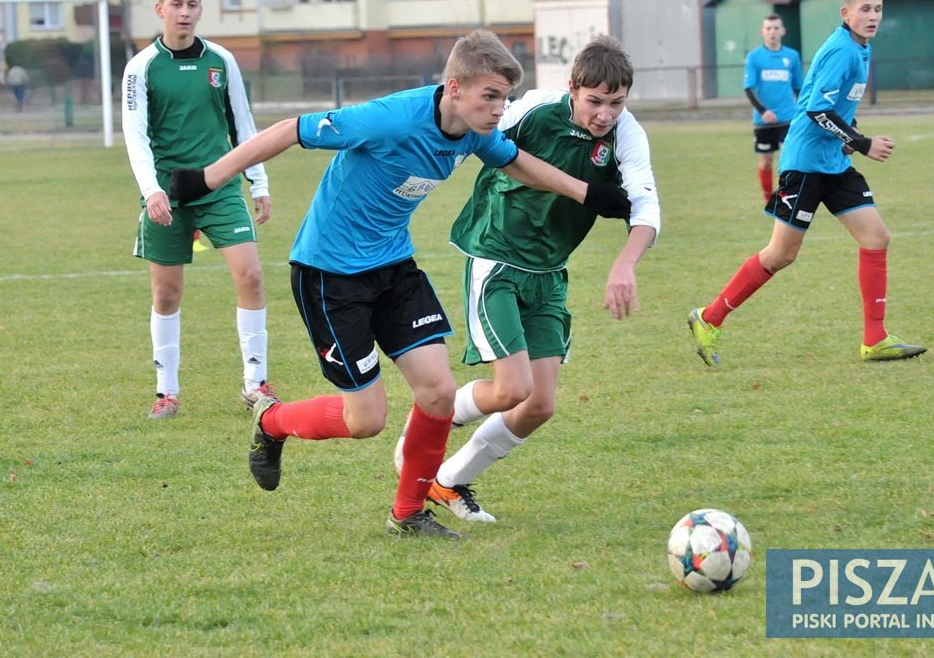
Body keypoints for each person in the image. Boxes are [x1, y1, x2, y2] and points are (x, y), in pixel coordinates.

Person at [169, 29, 632, 539]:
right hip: (329, 273)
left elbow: (517, 162)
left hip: (393, 267)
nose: (501, 109)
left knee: (438, 392)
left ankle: (408, 514)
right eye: (490, 97)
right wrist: (208, 177)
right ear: (454, 88)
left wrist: (588, 194)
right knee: (366, 419)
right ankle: (272, 421)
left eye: (503, 98)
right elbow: (290, 130)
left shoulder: (477, 131)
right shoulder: (389, 119)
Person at [392, 35, 661, 524]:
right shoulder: (533, 109)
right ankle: (425, 430)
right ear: (573, 89)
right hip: (496, 257)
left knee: (538, 405)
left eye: (616, 103)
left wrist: (625, 263)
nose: (605, 114)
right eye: (595, 102)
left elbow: (646, 207)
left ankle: (449, 481)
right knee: (511, 387)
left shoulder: (626, 136)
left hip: (549, 274)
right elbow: (476, 130)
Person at [687, 0, 926, 366]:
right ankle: (709, 319)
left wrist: (849, 141)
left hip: (833, 163)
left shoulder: (860, 49)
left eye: (878, 9)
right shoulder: (842, 51)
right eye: (864, 9)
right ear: (845, 13)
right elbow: (815, 110)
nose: (872, 16)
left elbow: (836, 106)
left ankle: (875, 338)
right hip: (804, 165)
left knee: (876, 237)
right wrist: (862, 142)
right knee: (780, 254)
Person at [121, 0, 278, 421]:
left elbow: (243, 125)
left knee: (249, 275)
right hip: (166, 194)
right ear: (160, 9)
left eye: (191, 4)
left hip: (219, 187)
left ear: (200, 9)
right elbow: (135, 135)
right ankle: (165, 393)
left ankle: (256, 385)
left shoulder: (221, 61)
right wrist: (151, 191)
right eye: (176, 4)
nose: (184, 12)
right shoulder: (141, 67)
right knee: (166, 294)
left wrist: (259, 181)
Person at [743, 14, 803, 202]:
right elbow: (749, 87)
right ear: (763, 32)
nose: (772, 32)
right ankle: (769, 199)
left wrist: (802, 113)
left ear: (782, 31)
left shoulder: (792, 56)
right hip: (764, 121)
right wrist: (763, 111)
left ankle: (788, 196)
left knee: (790, 160)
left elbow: (798, 88)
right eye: (768, 28)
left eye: (776, 28)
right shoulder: (754, 57)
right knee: (766, 161)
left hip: (788, 118)